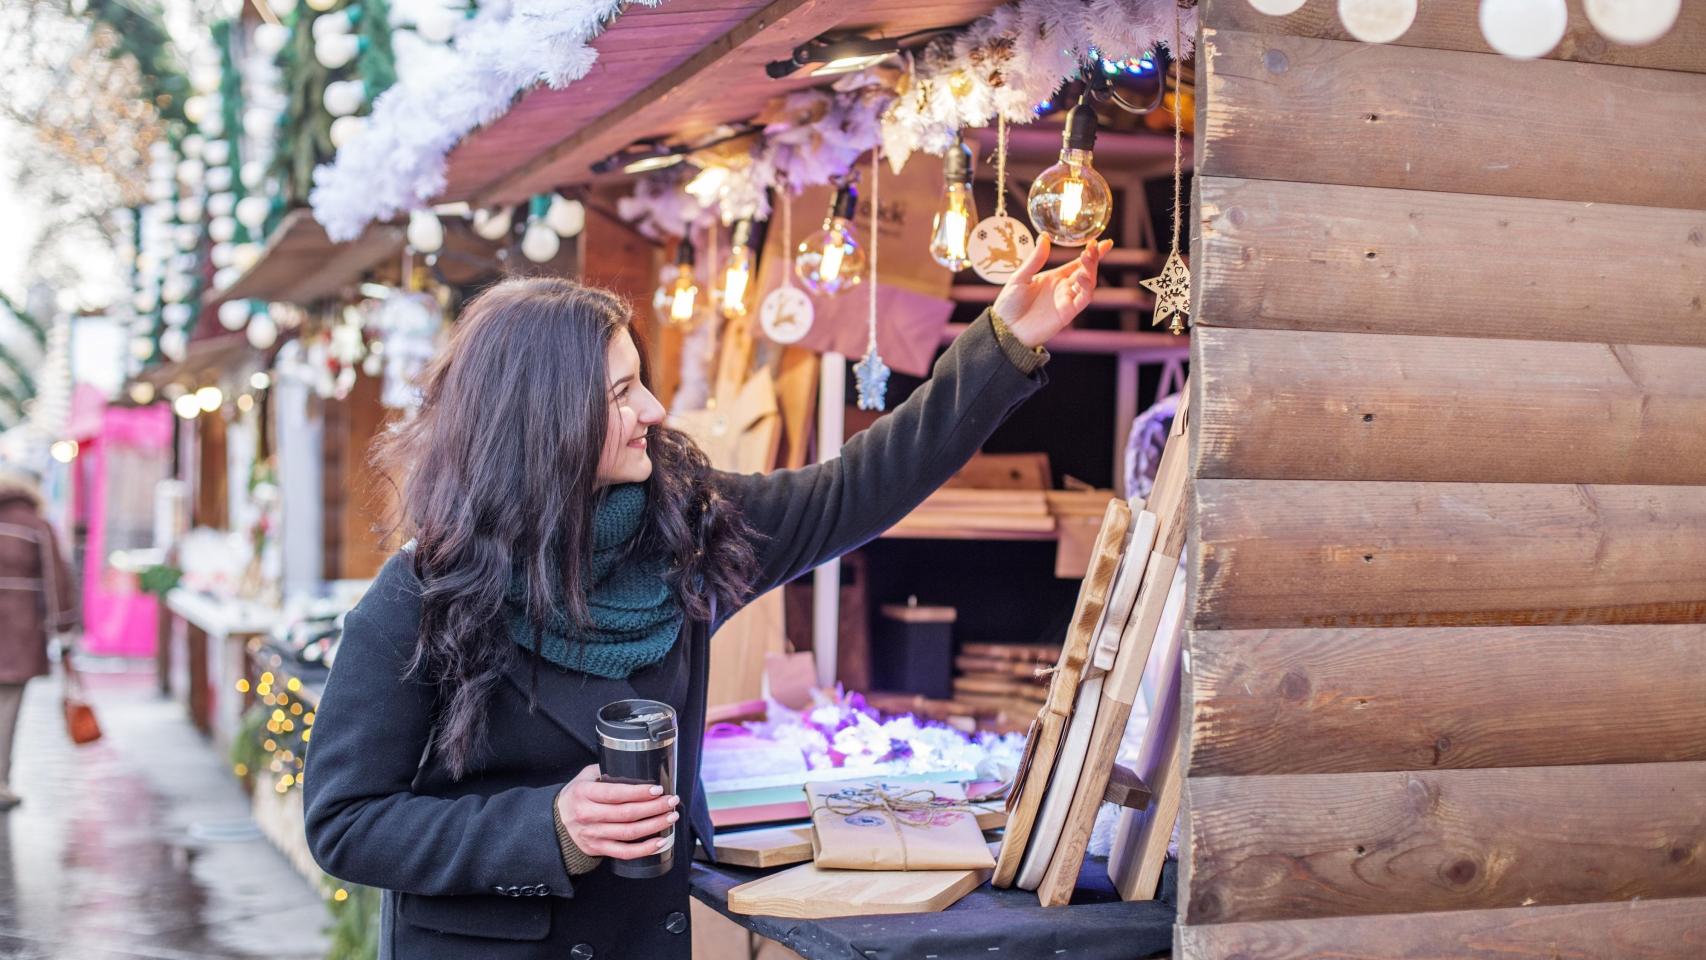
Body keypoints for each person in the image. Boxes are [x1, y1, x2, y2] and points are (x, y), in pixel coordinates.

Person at [303, 235, 1113, 958]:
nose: (653, 411)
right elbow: (345, 822)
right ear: (545, 418)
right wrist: (546, 828)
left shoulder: (692, 535)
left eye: (641, 383)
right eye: (621, 394)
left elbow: (860, 486)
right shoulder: (423, 594)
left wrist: (1003, 347)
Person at [0, 464, 78, 811]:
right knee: (9, 707)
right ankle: (1, 781)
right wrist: (63, 626)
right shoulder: (36, 525)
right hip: (20, 630)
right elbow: (55, 579)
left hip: (17, 628)